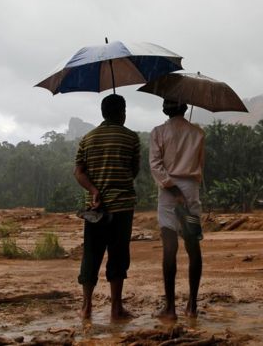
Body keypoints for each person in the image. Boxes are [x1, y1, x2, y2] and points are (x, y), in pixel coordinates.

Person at [73, 93, 140, 321]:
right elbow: (134, 171)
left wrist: (94, 191)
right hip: (122, 208)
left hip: (95, 210)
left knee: (91, 256)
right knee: (118, 257)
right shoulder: (131, 138)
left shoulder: (87, 139)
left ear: (103, 113)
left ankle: (86, 308)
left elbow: (79, 173)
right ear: (122, 112)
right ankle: (116, 310)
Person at [149, 99, 205, 320]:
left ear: (165, 109)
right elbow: (201, 165)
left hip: (167, 192)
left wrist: (172, 188)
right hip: (191, 190)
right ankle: (192, 305)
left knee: (169, 248)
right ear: (185, 108)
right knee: (193, 245)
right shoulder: (198, 133)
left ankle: (170, 308)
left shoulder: (158, 132)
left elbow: (155, 165)